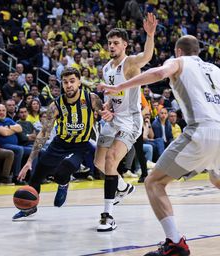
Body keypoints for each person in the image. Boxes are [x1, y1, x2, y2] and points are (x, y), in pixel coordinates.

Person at [98, 35, 220, 256]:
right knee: (216, 178)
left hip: (200, 131)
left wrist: (120, 86)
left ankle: (175, 243)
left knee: (154, 182)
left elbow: (158, 73)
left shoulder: (178, 62)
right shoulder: (214, 69)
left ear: (179, 51)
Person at [12, 67, 110, 221]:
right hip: (60, 143)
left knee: (62, 171)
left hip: (80, 145)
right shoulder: (55, 105)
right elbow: (44, 133)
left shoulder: (90, 98)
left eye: (72, 81)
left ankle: (63, 184)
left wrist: (108, 114)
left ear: (79, 82)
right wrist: (30, 161)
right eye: (65, 82)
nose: (69, 85)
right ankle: (29, 207)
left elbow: (105, 112)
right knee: (36, 177)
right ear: (62, 84)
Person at [94, 13, 157, 232]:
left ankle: (107, 216)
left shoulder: (129, 64)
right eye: (109, 43)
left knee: (111, 159)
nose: (111, 46)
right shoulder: (106, 68)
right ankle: (123, 187)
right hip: (114, 120)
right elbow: (110, 98)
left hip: (130, 121)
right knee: (98, 163)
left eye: (115, 43)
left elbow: (147, 56)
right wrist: (107, 109)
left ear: (124, 45)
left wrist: (150, 35)